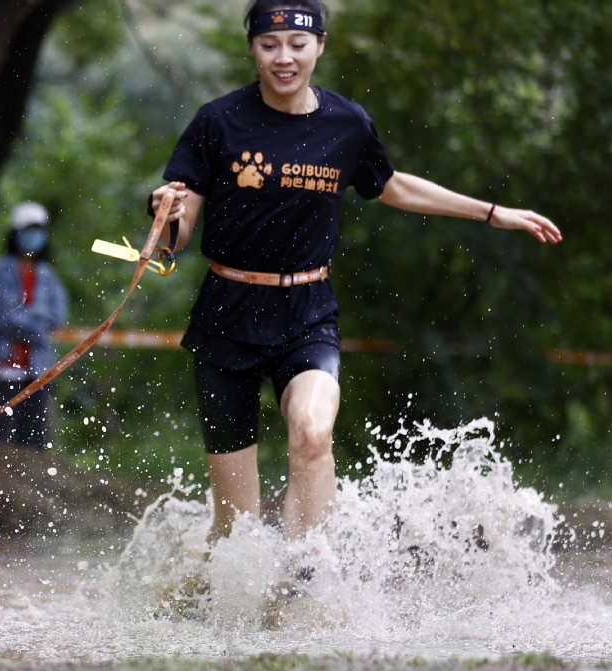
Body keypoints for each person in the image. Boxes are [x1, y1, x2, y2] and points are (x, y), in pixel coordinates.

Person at [150, 0, 562, 546]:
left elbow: (393, 185)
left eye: (297, 45)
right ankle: (204, 596)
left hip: (307, 312)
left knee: (314, 433)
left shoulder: (346, 123)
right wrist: (170, 215)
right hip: (227, 313)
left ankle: (305, 581)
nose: (284, 58)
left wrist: (491, 212)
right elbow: (179, 232)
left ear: (320, 45)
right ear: (252, 48)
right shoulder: (218, 121)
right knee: (234, 528)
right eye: (269, 45)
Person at [0, 202, 69, 449]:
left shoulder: (47, 274)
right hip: (1, 368)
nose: (34, 237)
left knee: (35, 441)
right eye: (29, 230)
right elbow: (4, 316)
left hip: (37, 370)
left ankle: (29, 489)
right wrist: (37, 322)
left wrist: (24, 316)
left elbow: (57, 315)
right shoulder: (0, 270)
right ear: (15, 233)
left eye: (39, 230)